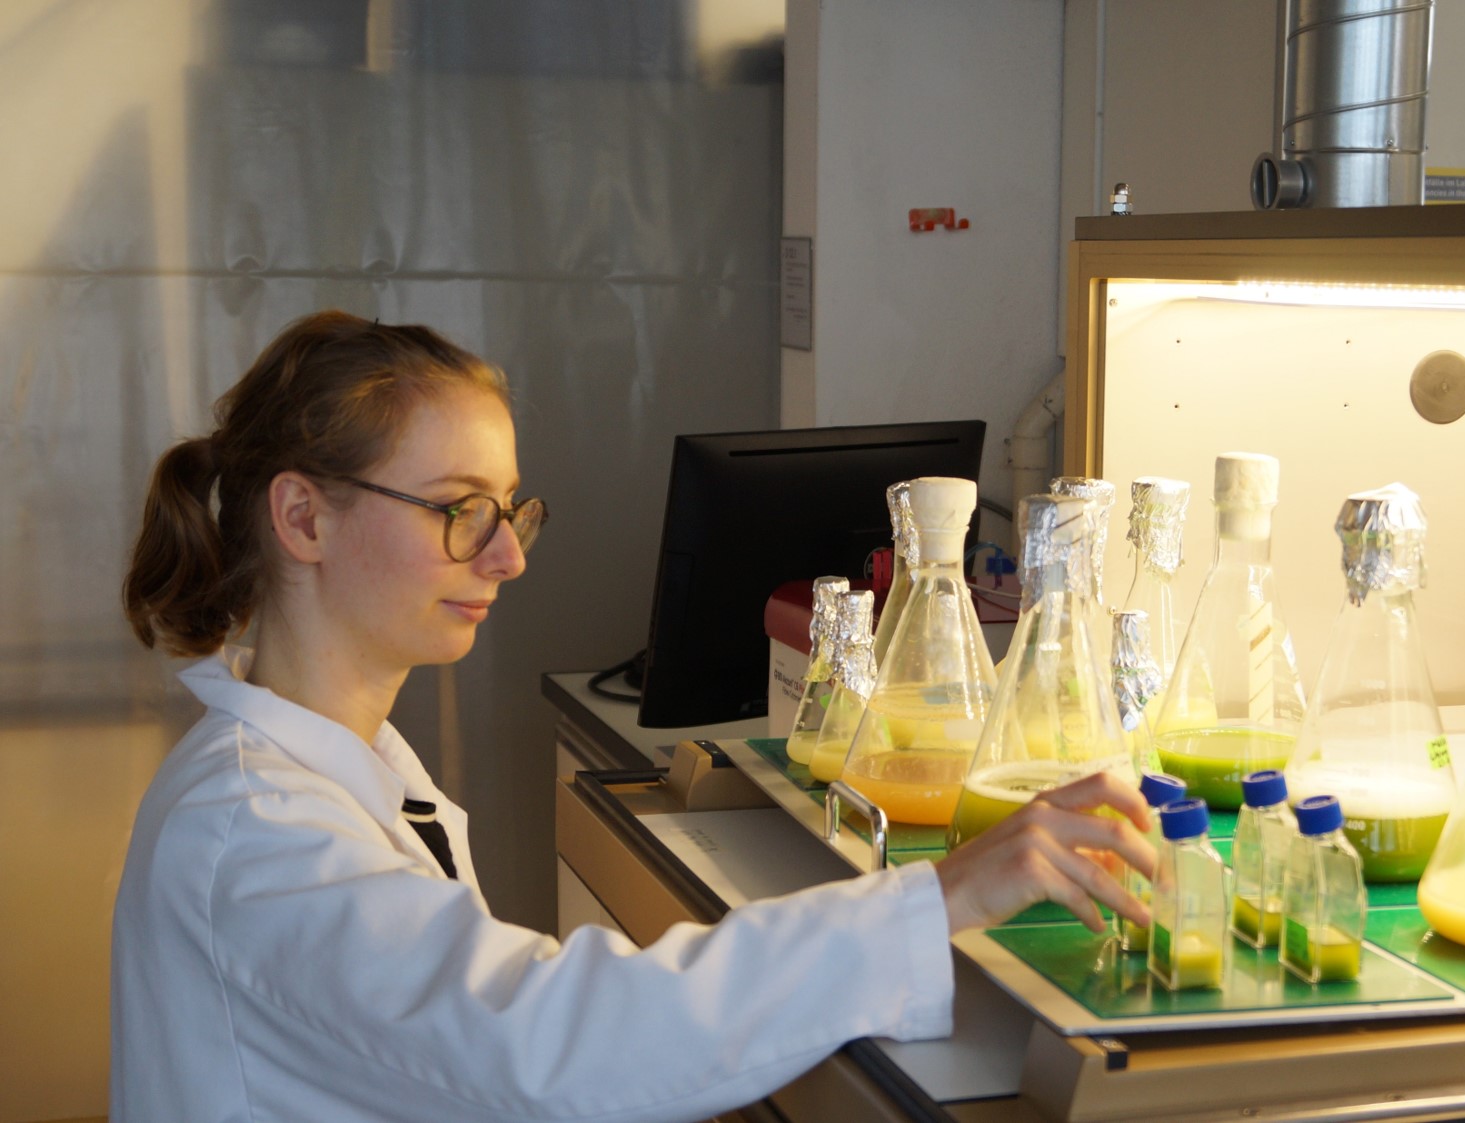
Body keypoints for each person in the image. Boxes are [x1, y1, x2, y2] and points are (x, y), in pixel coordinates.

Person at [113, 310, 1154, 1122]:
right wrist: (937, 898)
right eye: (457, 509)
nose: (508, 556)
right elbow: (546, 1041)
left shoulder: (340, 767)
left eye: (510, 509)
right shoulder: (257, 834)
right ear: (303, 517)